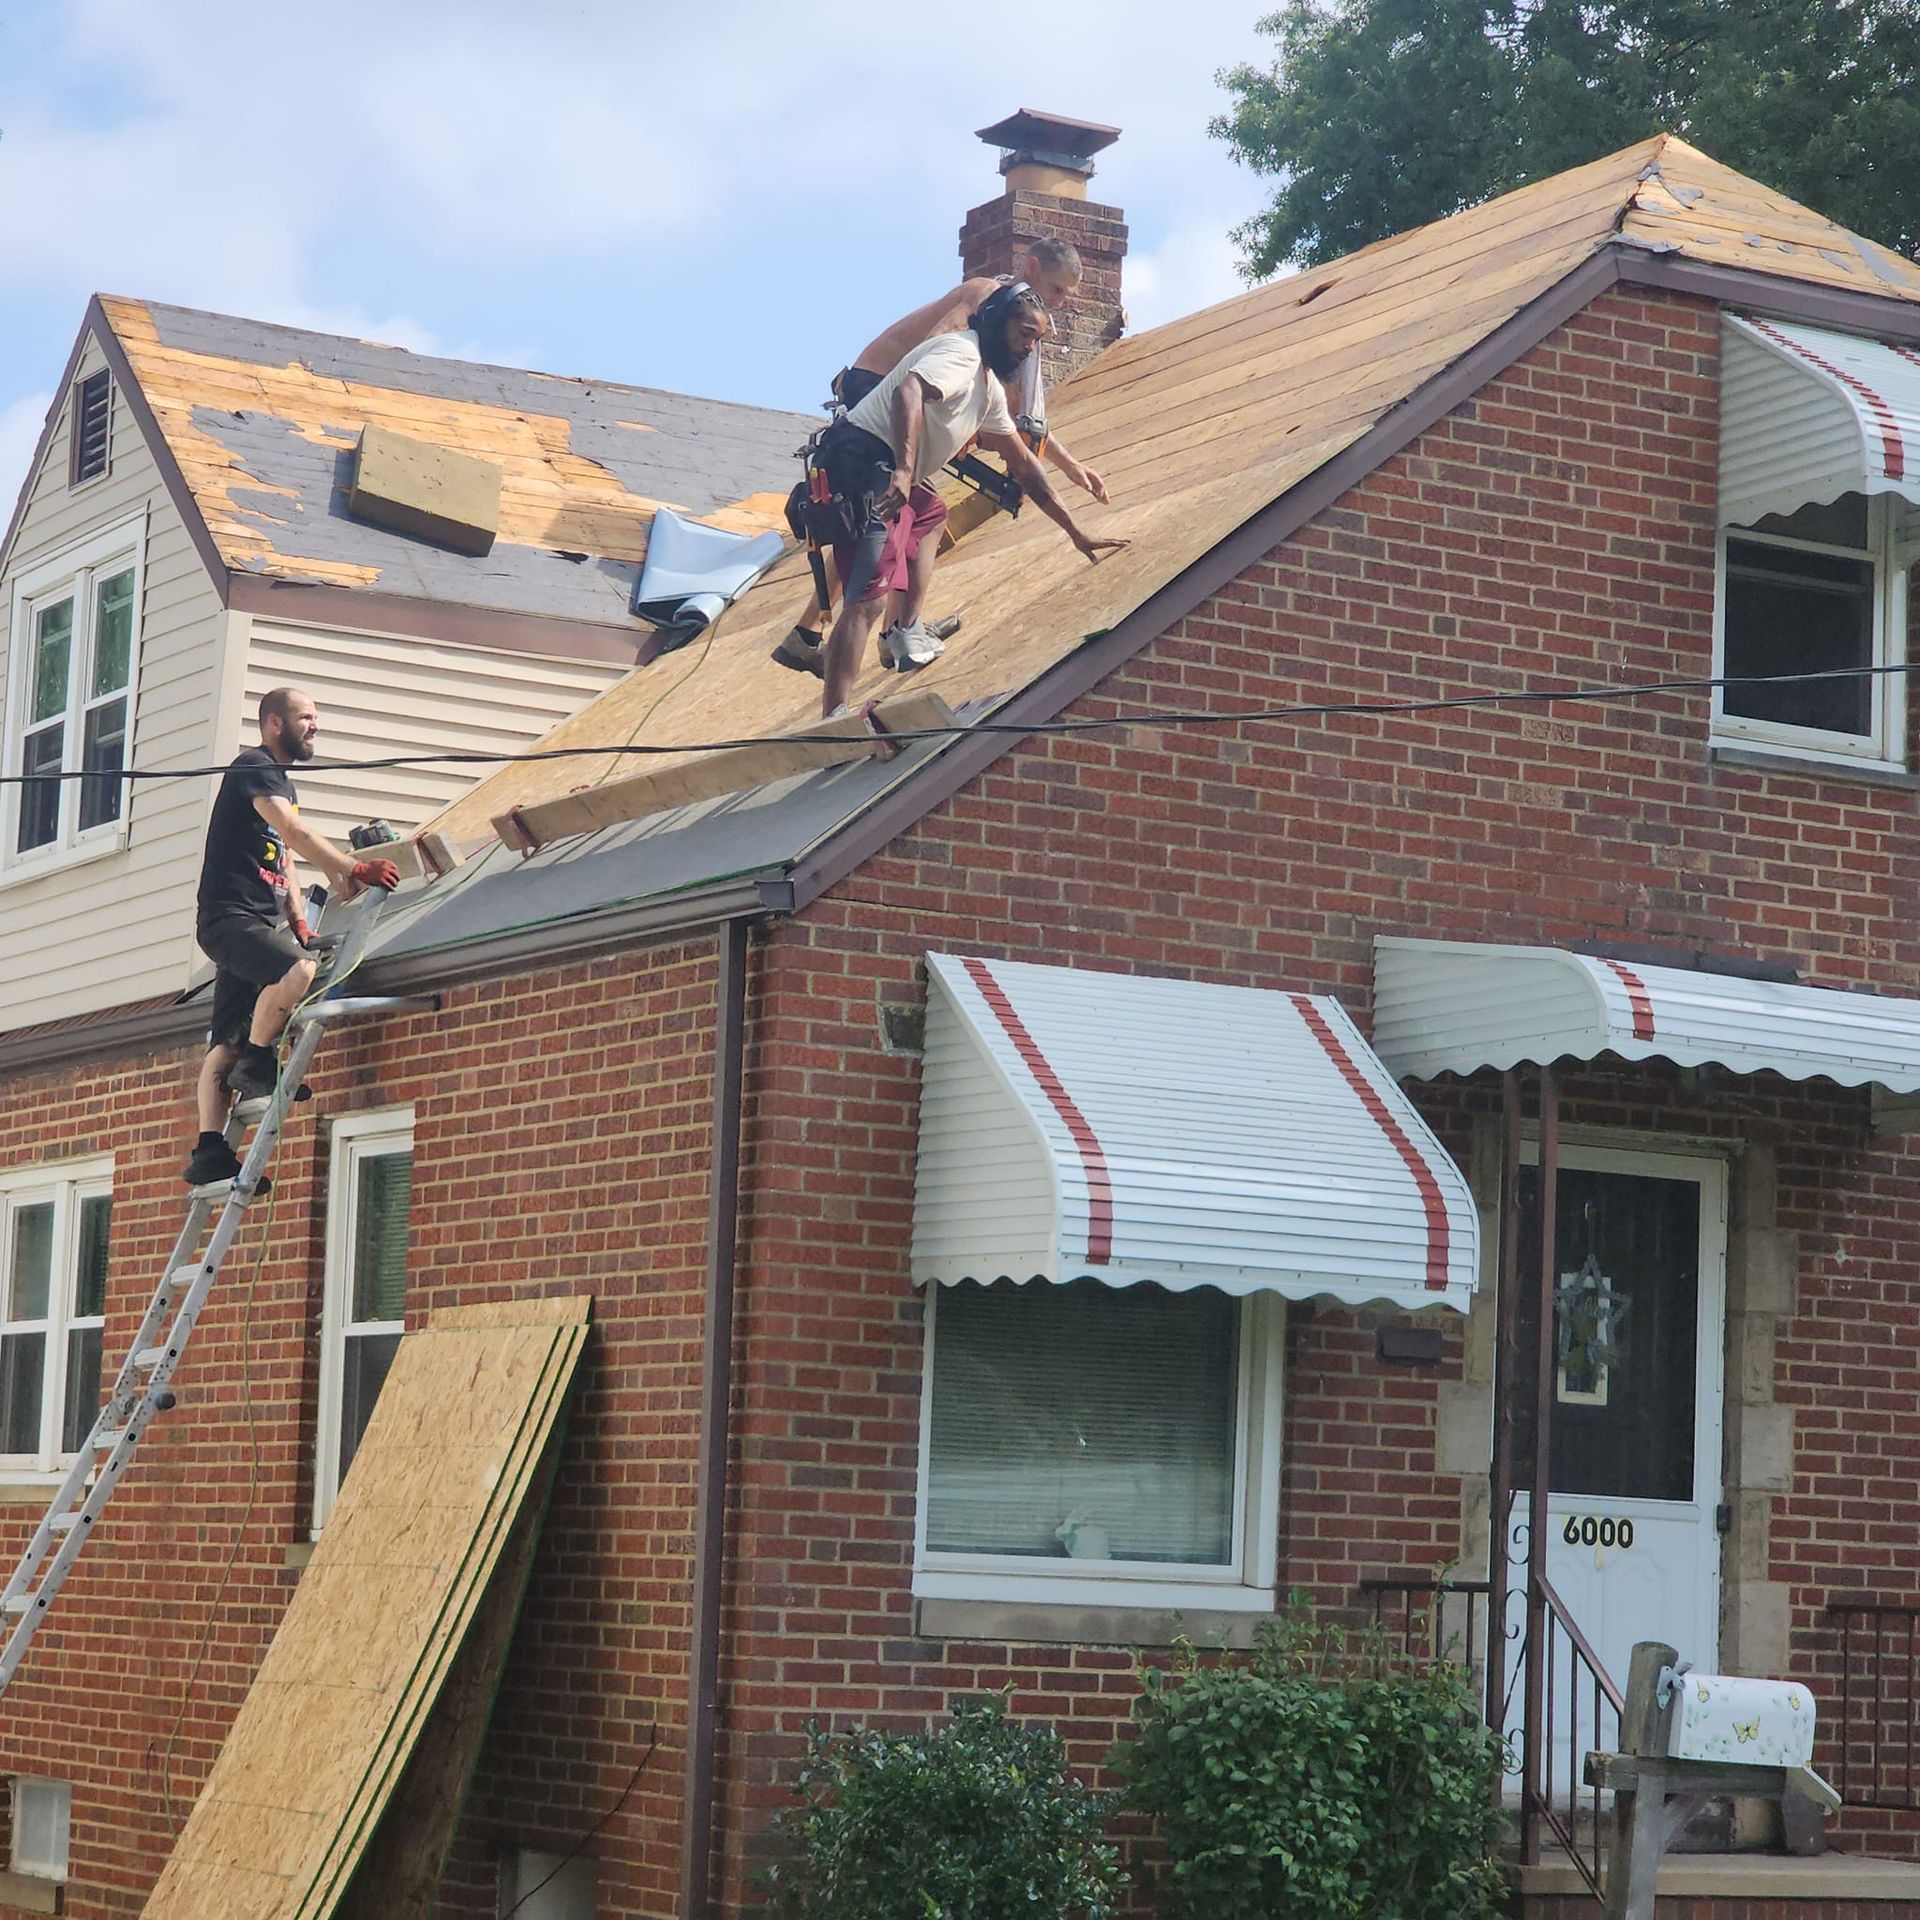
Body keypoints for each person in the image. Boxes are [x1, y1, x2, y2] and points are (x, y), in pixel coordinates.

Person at [772, 238, 1109, 677]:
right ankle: (898, 630)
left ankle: (812, 633)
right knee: (896, 513)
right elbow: (930, 352)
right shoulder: (990, 296)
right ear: (1031, 267)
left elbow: (1007, 419)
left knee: (888, 519)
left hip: (910, 394)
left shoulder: (1021, 322)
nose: (1059, 302)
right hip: (878, 387)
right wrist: (945, 408)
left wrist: (1068, 464)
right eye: (1058, 289)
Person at [814, 283, 1126, 717]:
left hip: (884, 469)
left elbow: (1024, 467)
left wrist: (1076, 532)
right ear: (996, 324)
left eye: (1036, 340)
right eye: (1024, 334)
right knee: (868, 600)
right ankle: (834, 717)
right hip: (862, 465)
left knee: (929, 512)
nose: (1029, 348)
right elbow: (908, 391)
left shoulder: (988, 388)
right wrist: (904, 471)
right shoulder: (961, 354)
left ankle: (905, 629)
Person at [182, 687, 400, 1189]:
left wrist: (299, 921)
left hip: (253, 920)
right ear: (275, 724)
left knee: (226, 1041)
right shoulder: (254, 766)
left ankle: (209, 1150)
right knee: (297, 970)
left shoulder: (281, 784)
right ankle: (260, 1063)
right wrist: (353, 866)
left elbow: (283, 858)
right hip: (228, 918)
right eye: (305, 717)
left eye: (316, 717)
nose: (315, 726)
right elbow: (295, 834)